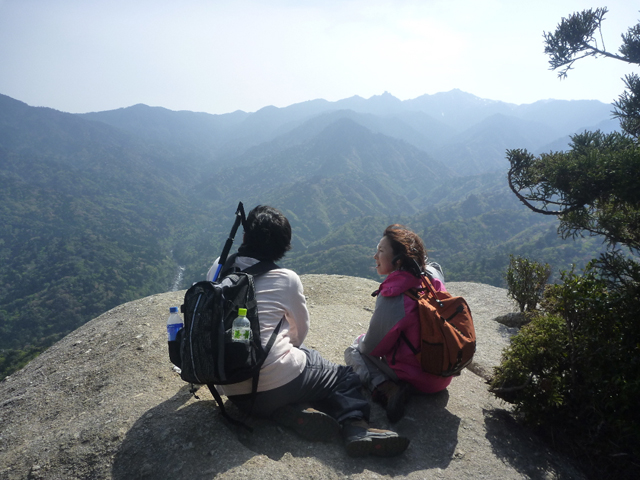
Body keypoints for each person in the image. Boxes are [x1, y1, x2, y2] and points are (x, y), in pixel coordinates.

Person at [206, 205, 409, 457]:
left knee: (297, 374)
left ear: (246, 237)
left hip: (232, 388)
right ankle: (356, 427)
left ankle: (288, 411)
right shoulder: (285, 278)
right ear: (282, 248)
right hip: (272, 381)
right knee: (342, 377)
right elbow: (299, 333)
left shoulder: (219, 267)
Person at [344, 224, 452, 422]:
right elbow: (434, 266)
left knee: (353, 350)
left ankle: (385, 389)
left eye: (381, 251)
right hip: (444, 374)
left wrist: (361, 340)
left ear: (399, 260)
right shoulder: (432, 276)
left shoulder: (395, 296)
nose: (375, 256)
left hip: (420, 379)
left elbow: (371, 348)